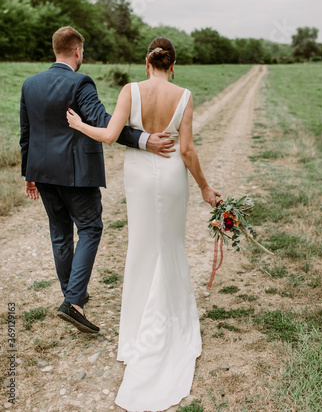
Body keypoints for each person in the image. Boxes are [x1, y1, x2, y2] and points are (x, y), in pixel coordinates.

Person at [66, 36, 221, 411]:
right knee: (170, 246)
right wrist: (205, 187)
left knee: (142, 246)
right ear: (173, 65)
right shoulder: (183, 95)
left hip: (138, 176)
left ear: (147, 63)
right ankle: (172, 325)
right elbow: (186, 150)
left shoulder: (130, 90)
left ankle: (136, 333)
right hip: (171, 178)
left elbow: (108, 135)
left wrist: (78, 124)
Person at [20, 26, 175, 335]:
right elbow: (106, 124)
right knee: (90, 228)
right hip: (77, 173)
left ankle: (71, 294)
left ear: (56, 50)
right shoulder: (81, 83)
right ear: (78, 51)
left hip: (43, 172)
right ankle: (74, 301)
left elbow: (26, 134)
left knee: (60, 232)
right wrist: (145, 140)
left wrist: (29, 173)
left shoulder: (30, 84)